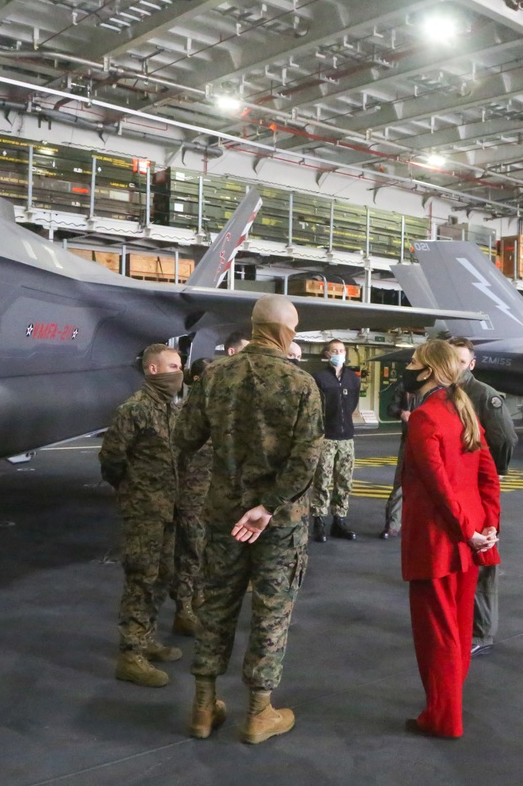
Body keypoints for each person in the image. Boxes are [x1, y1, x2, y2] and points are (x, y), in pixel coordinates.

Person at [175, 295, 323, 744]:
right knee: (271, 612)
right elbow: (306, 459)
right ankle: (259, 713)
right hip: (278, 522)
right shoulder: (300, 383)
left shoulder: (215, 376)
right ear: (286, 333)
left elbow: (185, 436)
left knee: (215, 605)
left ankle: (203, 708)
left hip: (223, 514)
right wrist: (269, 504)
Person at [400, 340, 501, 739]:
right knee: (458, 632)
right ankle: (449, 708)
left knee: (436, 636)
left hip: (439, 542)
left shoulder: (425, 417)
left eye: (412, 361)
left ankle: (442, 718)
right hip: (470, 542)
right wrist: (487, 528)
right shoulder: (464, 411)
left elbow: (437, 484)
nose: (407, 367)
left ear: (428, 370)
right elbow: (487, 474)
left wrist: (468, 530)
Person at [99, 343, 185, 687]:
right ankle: (130, 655)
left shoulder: (168, 409)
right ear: (153, 370)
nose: (179, 372)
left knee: (162, 575)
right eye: (174, 366)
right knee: (141, 578)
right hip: (144, 510)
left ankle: (146, 638)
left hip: (168, 508)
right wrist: (132, 490)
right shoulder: (134, 410)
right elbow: (111, 459)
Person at [448, 336, 517, 658]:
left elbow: (505, 439)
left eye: (462, 362)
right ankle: (461, 622)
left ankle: (482, 631)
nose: (455, 366)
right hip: (454, 490)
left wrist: (489, 476)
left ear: (471, 364)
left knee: (484, 559)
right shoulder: (443, 394)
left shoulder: (483, 396)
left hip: (476, 492)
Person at [172, 357, 213, 637]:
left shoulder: (216, 411)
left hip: (211, 497)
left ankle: (199, 597)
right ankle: (183, 609)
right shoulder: (182, 412)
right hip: (190, 497)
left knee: (204, 552)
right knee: (190, 554)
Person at [309, 339, 360, 542]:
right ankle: (319, 521)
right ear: (327, 354)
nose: (338, 353)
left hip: (347, 437)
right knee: (322, 480)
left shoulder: (353, 379)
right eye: (334, 350)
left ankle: (339, 520)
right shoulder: (319, 378)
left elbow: (352, 403)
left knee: (344, 481)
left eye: (341, 350)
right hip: (326, 437)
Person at [381, 376, 414, 539]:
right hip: (409, 440)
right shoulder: (406, 385)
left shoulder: (441, 385)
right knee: (401, 483)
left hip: (433, 440)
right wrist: (401, 412)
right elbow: (390, 408)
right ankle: (393, 524)